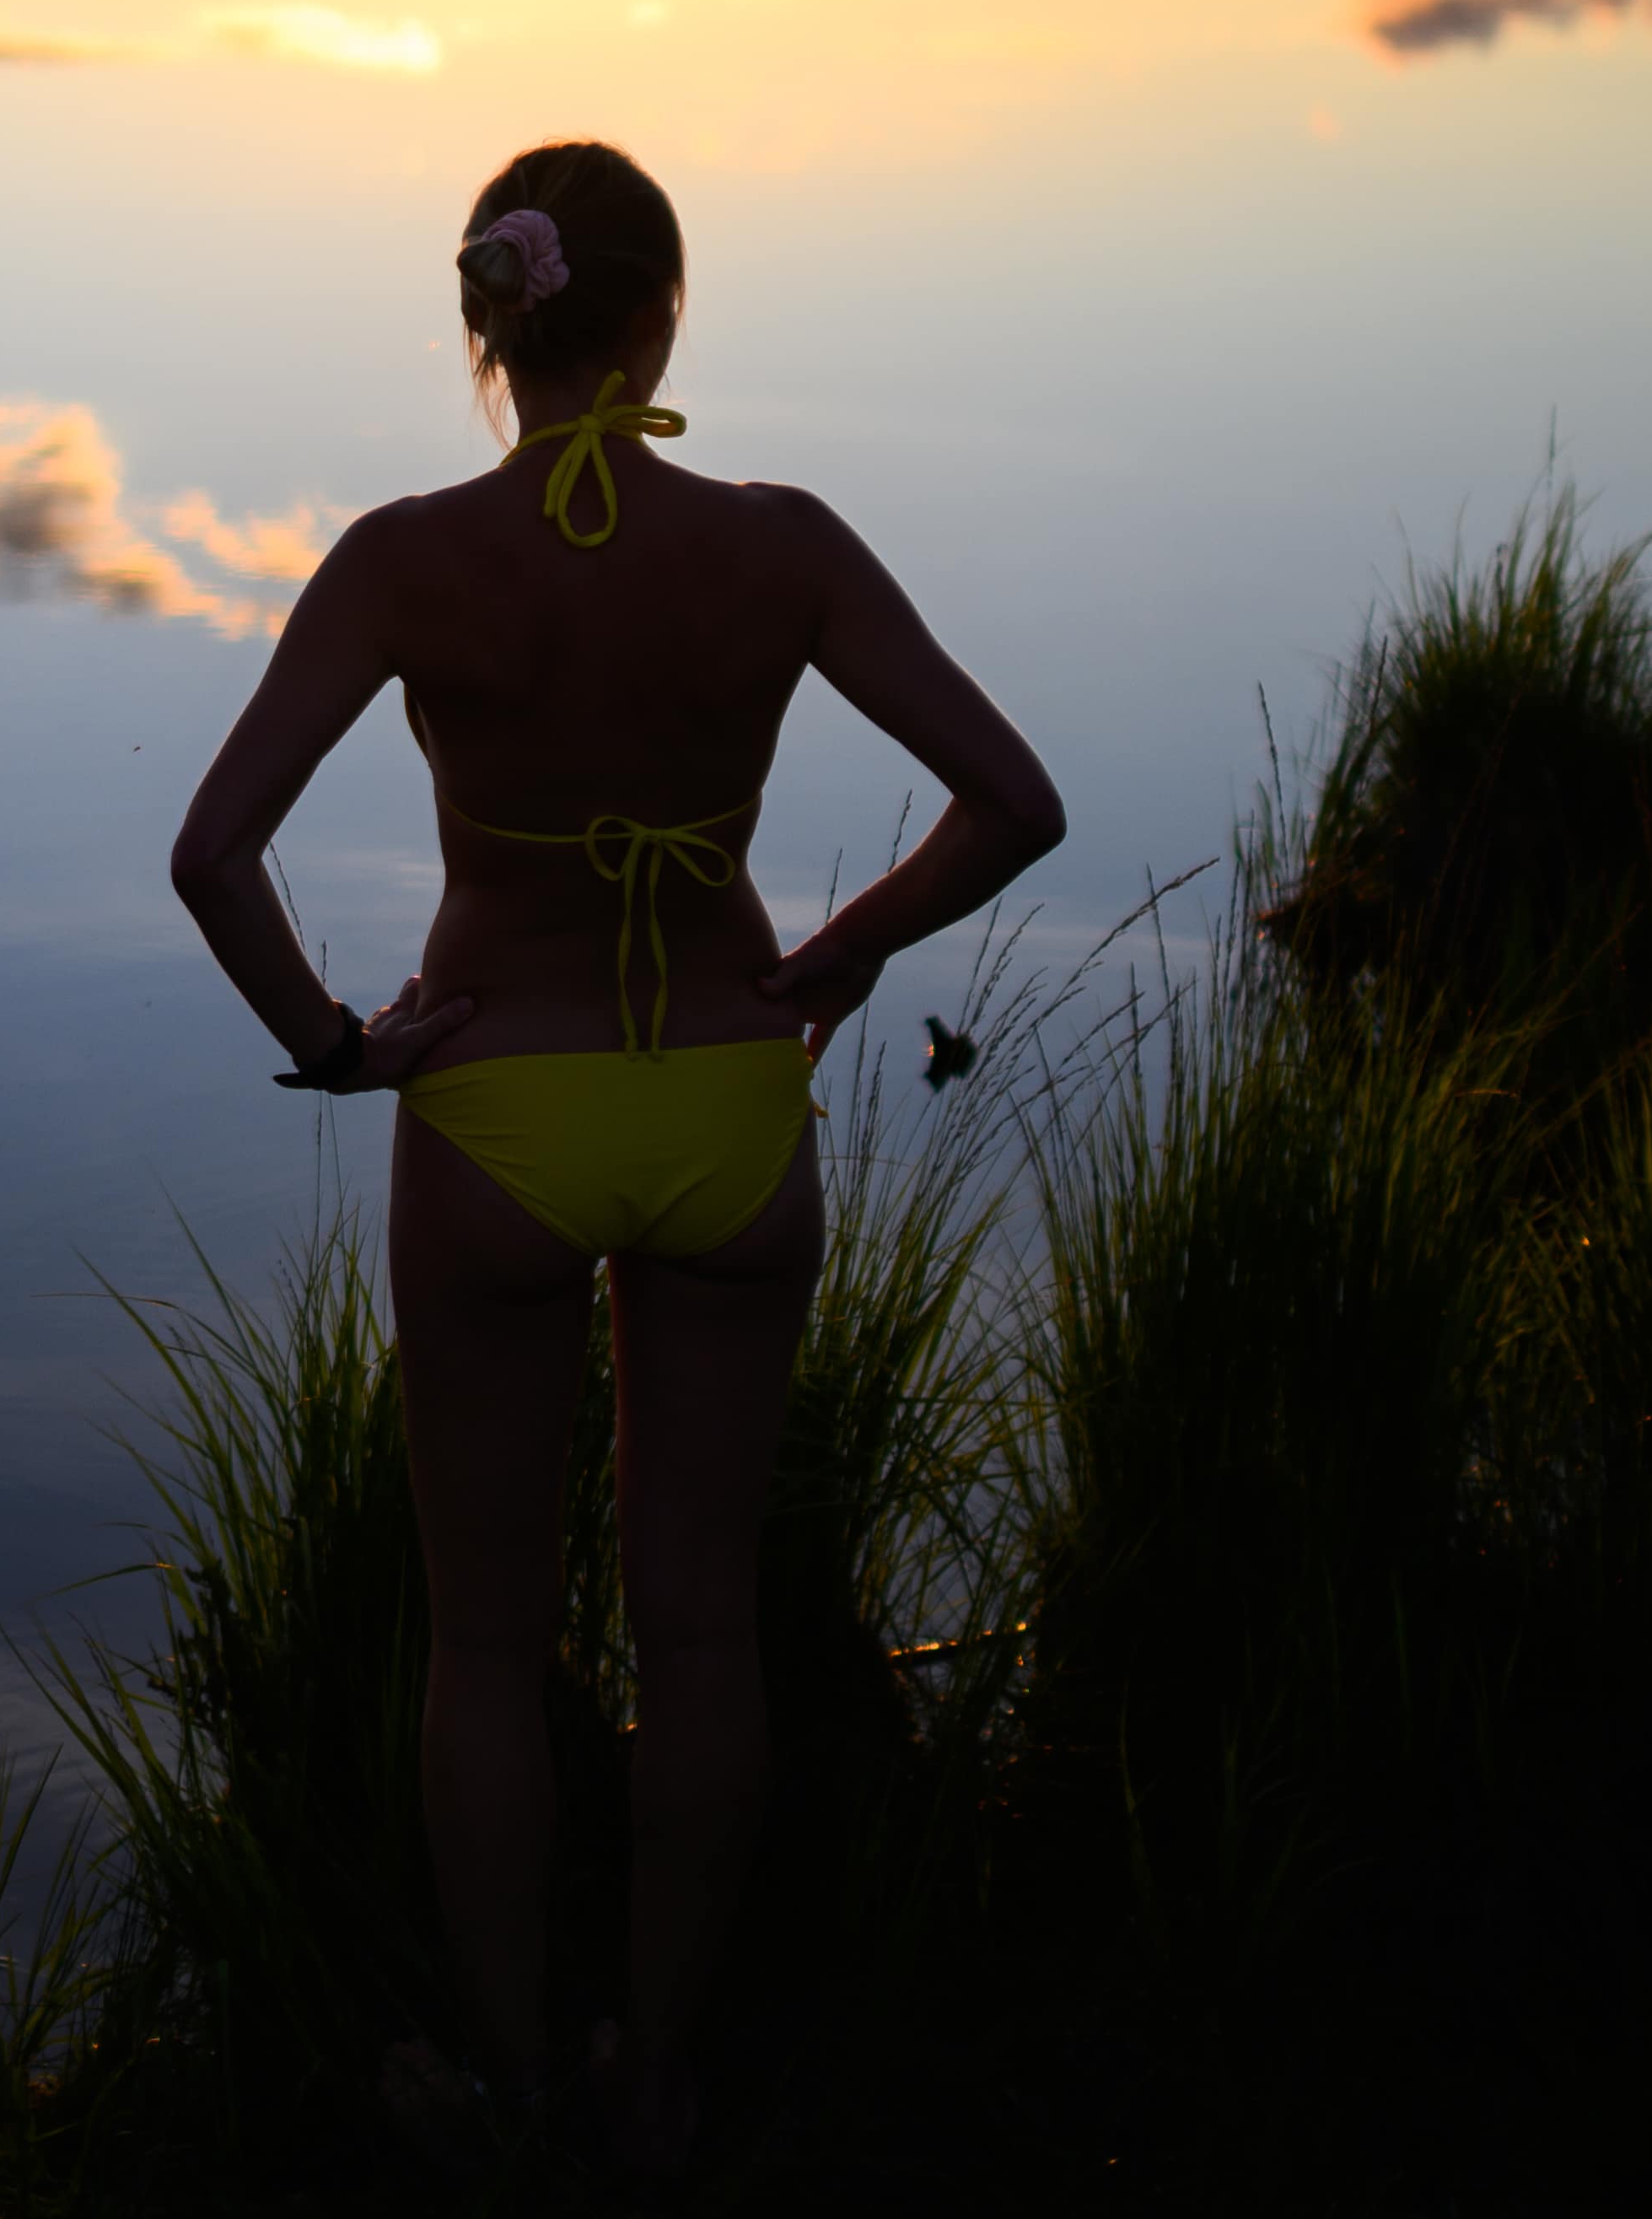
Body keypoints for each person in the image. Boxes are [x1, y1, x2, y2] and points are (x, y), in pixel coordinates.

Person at [163, 138, 1065, 2182]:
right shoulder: (779, 544)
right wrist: (848, 946)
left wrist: (335, 1045)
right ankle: (656, 2073)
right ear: (662, 320)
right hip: (724, 1098)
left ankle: (505, 2082)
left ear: (485, 326)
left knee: (484, 1645)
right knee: (703, 1632)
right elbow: (1013, 802)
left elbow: (212, 853)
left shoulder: (403, 560)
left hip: (494, 1106)